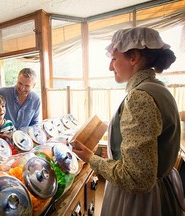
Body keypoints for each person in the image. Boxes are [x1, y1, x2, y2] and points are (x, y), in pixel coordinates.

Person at [72, 27, 184, 216]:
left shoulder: (140, 97)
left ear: (134, 58)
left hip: (141, 203)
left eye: (114, 59)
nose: (110, 67)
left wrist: (91, 158)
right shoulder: (158, 88)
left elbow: (137, 178)